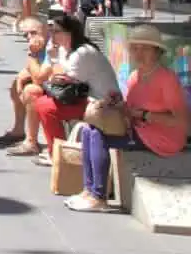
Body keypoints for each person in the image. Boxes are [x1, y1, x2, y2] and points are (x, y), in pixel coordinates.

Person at [70, 24, 189, 213]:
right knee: (88, 130)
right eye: (135, 48)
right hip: (140, 130)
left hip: (163, 138)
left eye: (145, 48)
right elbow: (130, 110)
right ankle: (89, 191)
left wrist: (145, 115)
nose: (138, 53)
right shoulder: (134, 76)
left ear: (157, 52)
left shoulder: (167, 79)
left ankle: (98, 196)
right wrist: (116, 104)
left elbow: (182, 122)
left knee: (98, 136)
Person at [11, 12, 118, 163]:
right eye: (51, 31)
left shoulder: (82, 53)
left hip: (100, 102)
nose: (52, 35)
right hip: (83, 96)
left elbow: (63, 80)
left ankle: (57, 154)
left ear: (69, 33)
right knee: (41, 101)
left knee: (46, 106)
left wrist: (43, 62)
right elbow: (52, 77)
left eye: (56, 31)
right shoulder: (61, 50)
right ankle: (55, 150)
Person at [0, 16, 52, 147]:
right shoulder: (39, 46)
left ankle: (32, 141)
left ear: (46, 29)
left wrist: (32, 54)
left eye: (34, 32)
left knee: (31, 91)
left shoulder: (51, 47)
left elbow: (38, 79)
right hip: (48, 83)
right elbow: (28, 70)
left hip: (62, 89)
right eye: (26, 34)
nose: (30, 37)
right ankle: (18, 130)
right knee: (16, 85)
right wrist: (19, 80)